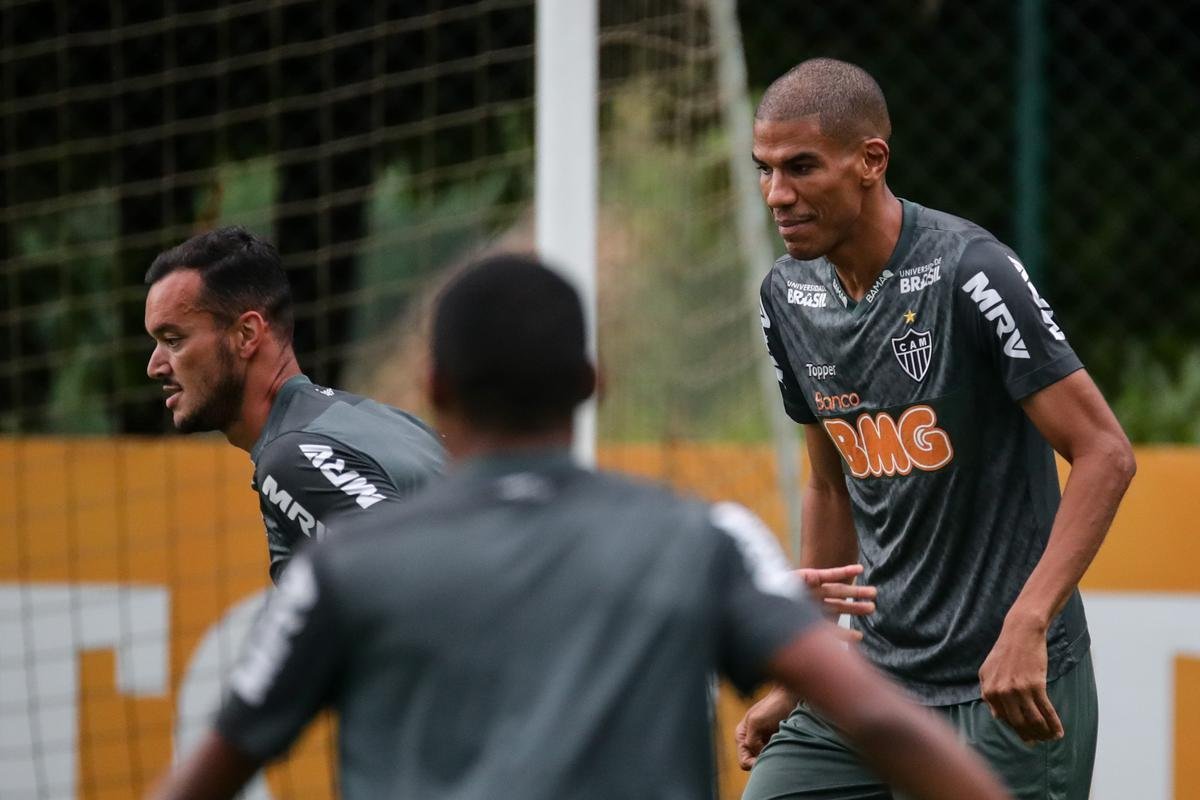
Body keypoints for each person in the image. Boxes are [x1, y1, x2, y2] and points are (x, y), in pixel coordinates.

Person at [147, 254, 1013, 800]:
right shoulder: (703, 544)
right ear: (593, 384)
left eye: (170, 337)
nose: (155, 361)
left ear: (437, 390)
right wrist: (739, 598)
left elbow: (220, 761)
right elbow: (884, 720)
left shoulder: (344, 568)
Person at [740, 58, 1136, 799]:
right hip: (874, 684)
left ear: (870, 161)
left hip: (1002, 683)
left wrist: (1028, 622)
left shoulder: (971, 271)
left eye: (801, 167)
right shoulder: (786, 294)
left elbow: (1105, 453)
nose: (777, 194)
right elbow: (830, 484)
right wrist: (805, 668)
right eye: (765, 169)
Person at [144, 227, 444, 583]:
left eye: (173, 340)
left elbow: (411, 584)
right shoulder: (378, 420)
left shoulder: (292, 457)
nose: (154, 366)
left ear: (246, 335)